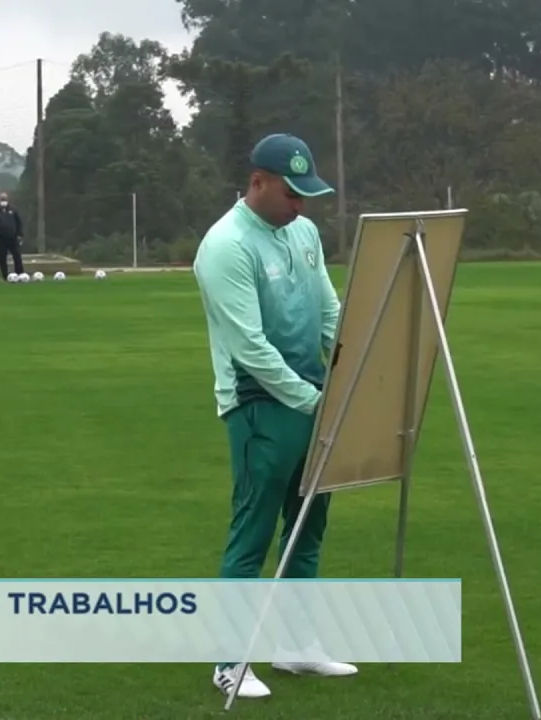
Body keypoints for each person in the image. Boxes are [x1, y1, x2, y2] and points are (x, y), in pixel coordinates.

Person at [193, 133, 354, 699]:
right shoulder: (226, 245)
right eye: (292, 193)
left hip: (313, 395)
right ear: (257, 182)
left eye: (306, 195)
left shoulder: (303, 232)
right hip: (258, 403)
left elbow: (327, 305)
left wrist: (345, 372)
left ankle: (296, 645)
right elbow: (249, 347)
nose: (300, 206)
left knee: (309, 522)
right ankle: (228, 660)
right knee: (254, 531)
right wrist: (311, 398)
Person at [0, 192, 24, 277]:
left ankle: (20, 273)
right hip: (0, 239)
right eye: (2, 199)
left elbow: (19, 222)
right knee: (2, 258)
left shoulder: (13, 209)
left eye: (5, 199)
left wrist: (20, 234)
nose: (3, 201)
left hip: (13, 237)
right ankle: (5, 275)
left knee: (17, 256)